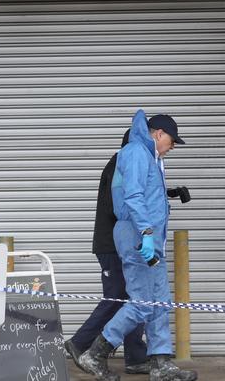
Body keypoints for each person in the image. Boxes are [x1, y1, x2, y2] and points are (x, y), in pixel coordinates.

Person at [78, 110, 197, 381]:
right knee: (143, 303)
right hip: (136, 236)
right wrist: (145, 232)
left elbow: (149, 194)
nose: (174, 145)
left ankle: (160, 363)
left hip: (152, 239)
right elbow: (132, 195)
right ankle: (95, 353)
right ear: (158, 134)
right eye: (172, 139)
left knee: (160, 303)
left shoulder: (151, 157)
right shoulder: (134, 152)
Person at [64, 130, 150, 375]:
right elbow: (121, 205)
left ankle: (136, 356)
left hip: (122, 244)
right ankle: (79, 343)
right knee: (116, 297)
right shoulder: (119, 166)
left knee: (136, 297)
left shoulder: (124, 165)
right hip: (112, 245)